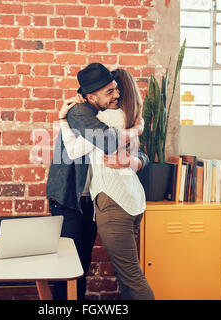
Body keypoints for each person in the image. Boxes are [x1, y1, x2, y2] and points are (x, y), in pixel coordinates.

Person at [46, 63, 149, 300]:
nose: (117, 96)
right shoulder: (79, 112)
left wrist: (132, 161)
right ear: (92, 96)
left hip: (93, 200)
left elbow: (141, 155)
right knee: (69, 267)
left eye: (116, 90)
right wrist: (136, 130)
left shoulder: (111, 115)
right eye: (110, 92)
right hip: (70, 198)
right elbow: (104, 143)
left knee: (82, 263)